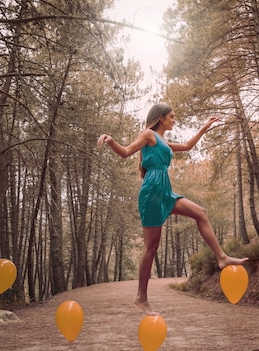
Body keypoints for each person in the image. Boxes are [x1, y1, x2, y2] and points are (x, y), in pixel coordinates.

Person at [97, 104, 248, 315]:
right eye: (171, 117)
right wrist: (111, 140)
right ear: (161, 118)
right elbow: (126, 152)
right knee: (151, 247)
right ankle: (141, 297)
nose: (174, 120)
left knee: (200, 213)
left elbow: (187, 146)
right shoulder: (148, 135)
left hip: (165, 192)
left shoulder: (164, 143)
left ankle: (221, 257)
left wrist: (205, 128)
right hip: (151, 192)